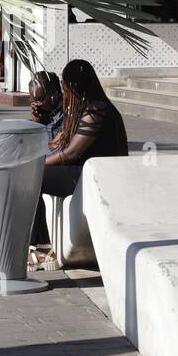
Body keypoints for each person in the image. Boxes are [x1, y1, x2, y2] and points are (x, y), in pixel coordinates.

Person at [33, 59, 128, 243]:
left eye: (65, 85)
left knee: (32, 178)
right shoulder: (85, 109)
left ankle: (40, 244)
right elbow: (55, 145)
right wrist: (40, 119)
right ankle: (40, 241)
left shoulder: (96, 110)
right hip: (86, 172)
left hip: (93, 176)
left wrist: (36, 165)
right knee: (32, 174)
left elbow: (71, 154)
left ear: (75, 86)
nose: (64, 90)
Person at [28, 71, 64, 142]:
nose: (38, 104)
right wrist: (36, 123)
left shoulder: (68, 113)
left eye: (41, 99)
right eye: (35, 100)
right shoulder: (42, 113)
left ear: (54, 93)